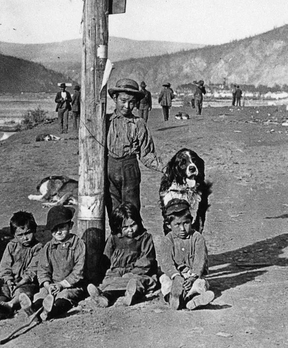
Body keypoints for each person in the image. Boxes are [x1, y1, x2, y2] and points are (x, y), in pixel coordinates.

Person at [106, 78, 163, 233]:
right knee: (113, 209)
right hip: (109, 168)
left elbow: (147, 154)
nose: (127, 106)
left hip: (129, 169)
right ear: (115, 98)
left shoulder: (139, 124)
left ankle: (136, 241)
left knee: (132, 209)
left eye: (131, 102)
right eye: (123, 101)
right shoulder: (105, 122)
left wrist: (165, 168)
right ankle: (117, 241)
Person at [86, 202, 158, 308]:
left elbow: (146, 262)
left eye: (133, 225)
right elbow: (106, 259)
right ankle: (105, 297)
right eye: (125, 227)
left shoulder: (145, 238)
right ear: (119, 227)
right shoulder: (114, 238)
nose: (130, 230)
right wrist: (110, 272)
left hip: (137, 272)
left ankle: (132, 295)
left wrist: (130, 273)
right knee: (109, 281)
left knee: (137, 282)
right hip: (117, 272)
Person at [29, 205, 85, 321]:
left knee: (65, 296)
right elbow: (43, 270)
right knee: (41, 294)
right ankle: (34, 309)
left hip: (71, 285)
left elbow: (79, 270)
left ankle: (51, 311)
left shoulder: (78, 244)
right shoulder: (48, 247)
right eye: (54, 229)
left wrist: (62, 284)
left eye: (62, 227)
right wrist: (48, 285)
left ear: (70, 226)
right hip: (53, 285)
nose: (58, 232)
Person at [158, 199, 215, 310]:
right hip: (175, 276)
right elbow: (166, 262)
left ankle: (192, 299)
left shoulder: (197, 238)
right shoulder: (167, 240)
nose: (182, 229)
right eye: (177, 224)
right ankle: (172, 298)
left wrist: (193, 276)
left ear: (191, 221)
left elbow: (200, 260)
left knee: (201, 284)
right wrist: (176, 276)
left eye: (186, 223)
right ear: (169, 225)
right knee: (165, 280)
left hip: (192, 276)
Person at [0, 211, 42, 316]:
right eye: (20, 235)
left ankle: (10, 304)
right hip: (11, 281)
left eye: (28, 233)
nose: (25, 238)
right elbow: (5, 265)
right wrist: (8, 280)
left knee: (24, 292)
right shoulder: (11, 246)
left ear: (34, 230)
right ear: (14, 235)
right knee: (4, 291)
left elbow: (33, 269)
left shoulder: (38, 248)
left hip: (27, 282)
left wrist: (23, 281)